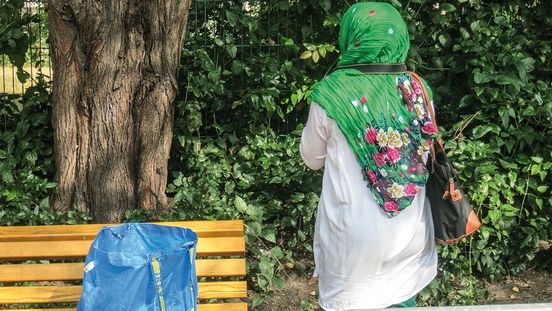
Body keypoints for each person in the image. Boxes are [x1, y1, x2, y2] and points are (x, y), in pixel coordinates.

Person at [300, 2, 439, 310]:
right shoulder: (417, 89)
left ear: (352, 35)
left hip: (350, 240)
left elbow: (311, 158)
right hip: (407, 235)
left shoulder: (331, 93)